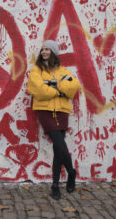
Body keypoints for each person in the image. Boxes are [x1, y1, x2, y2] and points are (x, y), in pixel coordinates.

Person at [27, 40, 80, 200]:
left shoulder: (64, 71)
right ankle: (71, 172)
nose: (44, 52)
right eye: (42, 49)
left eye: (47, 49)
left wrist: (55, 86)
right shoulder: (36, 70)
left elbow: (74, 85)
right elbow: (38, 90)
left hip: (62, 111)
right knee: (59, 143)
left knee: (59, 150)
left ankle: (55, 185)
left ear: (54, 52)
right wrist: (59, 90)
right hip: (45, 111)